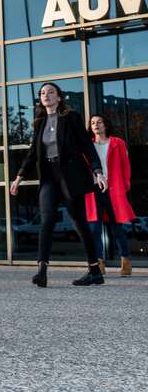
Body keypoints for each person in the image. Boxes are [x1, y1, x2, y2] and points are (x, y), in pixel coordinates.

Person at [10, 83, 108, 288]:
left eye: (50, 92)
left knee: (79, 222)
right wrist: (19, 176)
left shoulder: (70, 118)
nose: (46, 95)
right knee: (46, 221)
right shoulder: (39, 122)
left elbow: (86, 145)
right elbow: (32, 154)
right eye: (43, 93)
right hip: (48, 177)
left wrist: (97, 171)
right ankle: (42, 271)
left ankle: (94, 270)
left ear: (59, 97)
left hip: (70, 176)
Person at [86, 115, 135, 277]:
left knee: (117, 228)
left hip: (114, 190)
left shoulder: (117, 143)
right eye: (93, 123)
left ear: (106, 125)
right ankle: (99, 263)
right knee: (94, 229)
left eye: (99, 122)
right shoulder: (88, 146)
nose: (96, 125)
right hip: (94, 191)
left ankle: (125, 261)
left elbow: (125, 166)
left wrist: (125, 186)